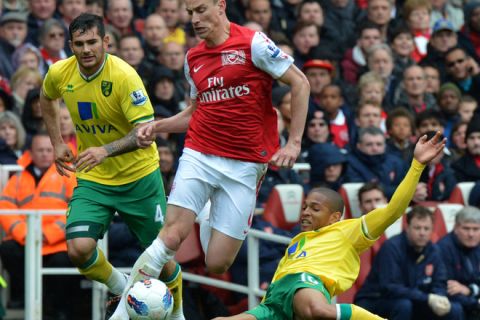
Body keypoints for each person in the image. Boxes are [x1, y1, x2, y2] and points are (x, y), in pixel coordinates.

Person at [109, 0, 310, 316]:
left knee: (218, 262)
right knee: (170, 237)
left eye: (201, 10)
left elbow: (300, 83)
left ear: (221, 6)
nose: (195, 19)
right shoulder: (193, 57)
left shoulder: (253, 43)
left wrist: (294, 143)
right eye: (190, 13)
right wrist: (159, 125)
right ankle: (123, 312)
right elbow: (195, 111)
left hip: (245, 165)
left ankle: (206, 212)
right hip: (200, 154)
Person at [39, 13, 184, 319]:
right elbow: (46, 97)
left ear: (106, 41)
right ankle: (121, 287)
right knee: (78, 248)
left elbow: (145, 133)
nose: (86, 49)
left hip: (139, 178)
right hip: (94, 179)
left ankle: (178, 314)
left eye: (92, 42)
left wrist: (105, 150)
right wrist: (56, 142)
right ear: (70, 45)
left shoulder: (124, 76)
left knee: (164, 259)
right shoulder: (60, 72)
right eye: (79, 44)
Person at [211, 132, 445, 320]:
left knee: (319, 312)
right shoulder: (297, 240)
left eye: (315, 208)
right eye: (304, 207)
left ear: (334, 217)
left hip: (306, 283)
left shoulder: (347, 231)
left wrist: (417, 165)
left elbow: (394, 209)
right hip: (275, 301)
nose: (305, 212)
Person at [0, 133, 79, 319]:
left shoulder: (68, 173)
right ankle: (29, 298)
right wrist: (24, 234)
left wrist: (47, 234)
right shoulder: (19, 177)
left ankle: (56, 307)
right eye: (40, 150)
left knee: (63, 262)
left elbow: (76, 208)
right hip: (25, 239)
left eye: (48, 150)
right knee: (7, 249)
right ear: (31, 153)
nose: (44, 154)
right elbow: (5, 206)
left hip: (57, 241)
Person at [355, 205, 463, 320]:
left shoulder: (434, 250)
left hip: (414, 299)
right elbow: (390, 288)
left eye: (426, 229)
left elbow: (440, 281)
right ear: (407, 227)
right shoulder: (391, 247)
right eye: (417, 228)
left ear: (432, 230)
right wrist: (428, 298)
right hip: (375, 300)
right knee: (404, 305)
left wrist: (440, 297)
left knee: (455, 308)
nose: (422, 233)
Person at [437, 206, 480, 320]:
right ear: (456, 228)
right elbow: (450, 288)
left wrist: (470, 290)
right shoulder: (443, 248)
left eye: (476, 229)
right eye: (466, 228)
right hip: (455, 301)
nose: (471, 234)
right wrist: (476, 303)